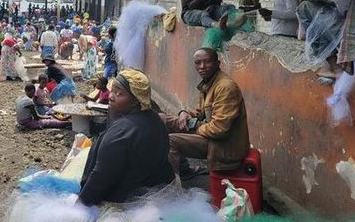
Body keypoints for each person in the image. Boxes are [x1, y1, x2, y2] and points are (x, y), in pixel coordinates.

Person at [78, 69, 176, 206]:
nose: (111, 96)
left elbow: (100, 177)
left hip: (132, 203)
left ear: (136, 100)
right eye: (112, 90)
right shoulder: (154, 118)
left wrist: (80, 207)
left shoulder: (121, 133)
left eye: (120, 94)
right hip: (161, 190)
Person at [161, 48, 249, 177]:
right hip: (209, 134)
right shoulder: (209, 83)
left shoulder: (225, 87)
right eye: (198, 63)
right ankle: (183, 170)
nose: (202, 67)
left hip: (223, 147)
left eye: (207, 62)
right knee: (161, 120)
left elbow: (220, 129)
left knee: (170, 141)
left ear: (218, 64)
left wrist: (195, 126)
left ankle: (173, 190)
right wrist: (184, 113)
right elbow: (201, 112)